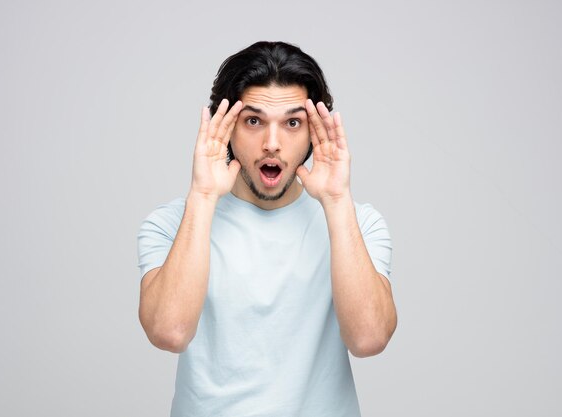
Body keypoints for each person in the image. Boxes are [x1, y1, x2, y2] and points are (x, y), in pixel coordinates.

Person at [137, 41, 397, 417]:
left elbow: (369, 339)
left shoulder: (360, 223)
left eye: (293, 123)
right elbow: (169, 332)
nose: (272, 144)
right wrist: (204, 195)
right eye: (254, 121)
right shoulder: (171, 223)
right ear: (225, 128)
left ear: (315, 132)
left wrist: (337, 202)